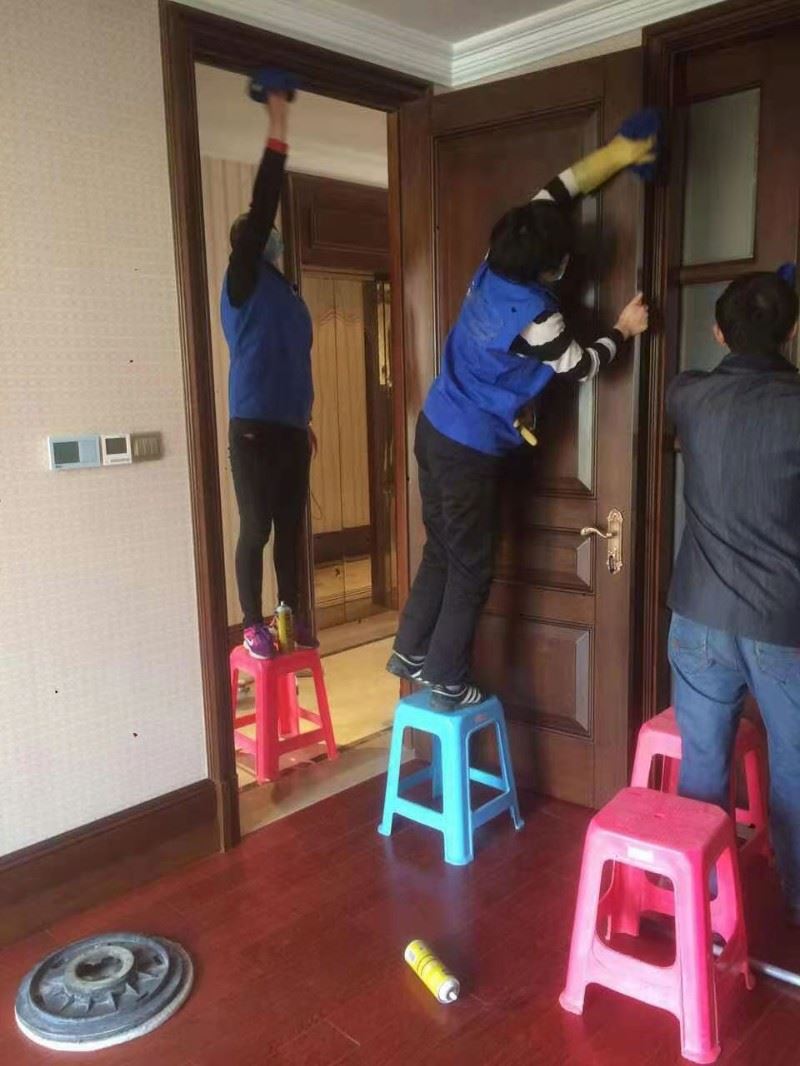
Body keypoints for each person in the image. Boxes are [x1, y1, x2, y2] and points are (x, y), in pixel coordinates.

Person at [386, 121, 653, 709]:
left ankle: (410, 650)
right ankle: (445, 677)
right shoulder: (538, 317)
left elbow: (558, 189)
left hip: (434, 427)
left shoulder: (497, 258)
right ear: (549, 269)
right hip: (468, 449)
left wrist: (619, 154)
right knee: (472, 567)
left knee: (441, 548)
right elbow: (579, 366)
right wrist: (622, 329)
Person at [667, 269, 800, 925]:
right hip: (782, 621)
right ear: (792, 332)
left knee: (702, 766)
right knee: (795, 769)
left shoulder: (688, 395)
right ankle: (797, 905)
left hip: (699, 617)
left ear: (718, 333)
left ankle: (708, 908)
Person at [222, 89, 317, 660]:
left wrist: (303, 419)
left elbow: (293, 358)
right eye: (263, 236)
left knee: (289, 530)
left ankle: (289, 613)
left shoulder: (286, 292)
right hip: (254, 429)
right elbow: (261, 212)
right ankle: (251, 624)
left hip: (290, 430)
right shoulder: (242, 281)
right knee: (257, 527)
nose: (272, 240)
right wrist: (277, 127)